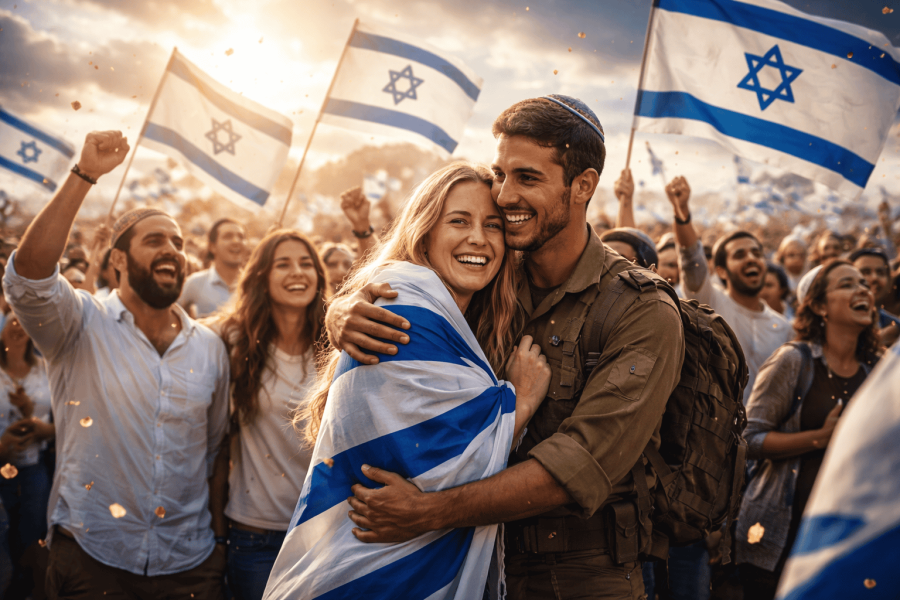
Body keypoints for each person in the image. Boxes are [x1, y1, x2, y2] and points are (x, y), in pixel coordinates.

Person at [324, 95, 684, 599]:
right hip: (462, 562)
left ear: (583, 186)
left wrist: (428, 512)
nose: (504, 195)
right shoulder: (489, 274)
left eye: (528, 178)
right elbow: (409, 285)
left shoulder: (642, 312)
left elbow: (574, 467)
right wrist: (343, 312)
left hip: (580, 576)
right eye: (501, 174)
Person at [263, 162, 551, 599]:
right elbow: (436, 463)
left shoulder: (473, 318)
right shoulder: (401, 302)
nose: (478, 237)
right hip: (363, 572)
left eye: (492, 226)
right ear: (424, 232)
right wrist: (519, 405)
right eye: (459, 221)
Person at [3, 130, 230, 599]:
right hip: (92, 557)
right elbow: (27, 279)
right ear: (119, 260)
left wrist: (219, 548)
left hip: (188, 565)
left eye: (178, 241)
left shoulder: (208, 347)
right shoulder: (79, 323)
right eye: (155, 240)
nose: (171, 248)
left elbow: (209, 454)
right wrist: (84, 176)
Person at [735, 260, 882, 599]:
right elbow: (748, 439)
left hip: (845, 536)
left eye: (864, 283)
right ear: (818, 306)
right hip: (781, 534)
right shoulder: (793, 361)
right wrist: (821, 438)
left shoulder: (879, 370)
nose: (863, 289)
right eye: (847, 284)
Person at [211, 230, 328, 600]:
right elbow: (219, 449)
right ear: (261, 277)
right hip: (254, 535)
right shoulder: (230, 340)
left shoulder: (337, 344)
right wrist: (216, 533)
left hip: (323, 531)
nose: (297, 272)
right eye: (283, 264)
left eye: (306, 264)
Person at [666, 175, 791, 402]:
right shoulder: (710, 304)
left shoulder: (783, 327)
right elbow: (691, 259)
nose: (751, 259)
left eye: (757, 253)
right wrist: (682, 212)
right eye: (740, 255)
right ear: (722, 271)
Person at [0, 314, 54, 600]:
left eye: (23, 322)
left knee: (34, 537)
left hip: (34, 466)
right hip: (0, 468)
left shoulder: (45, 370)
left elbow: (68, 421)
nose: (17, 325)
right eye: (11, 321)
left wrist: (41, 426)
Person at [178, 218, 247, 318]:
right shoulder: (195, 283)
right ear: (212, 246)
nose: (236, 241)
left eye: (241, 237)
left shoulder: (255, 286)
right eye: (228, 236)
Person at [850, 247, 900, 347]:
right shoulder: (835, 323)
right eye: (865, 272)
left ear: (890, 282)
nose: (874, 278)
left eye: (881, 273)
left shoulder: (895, 326)